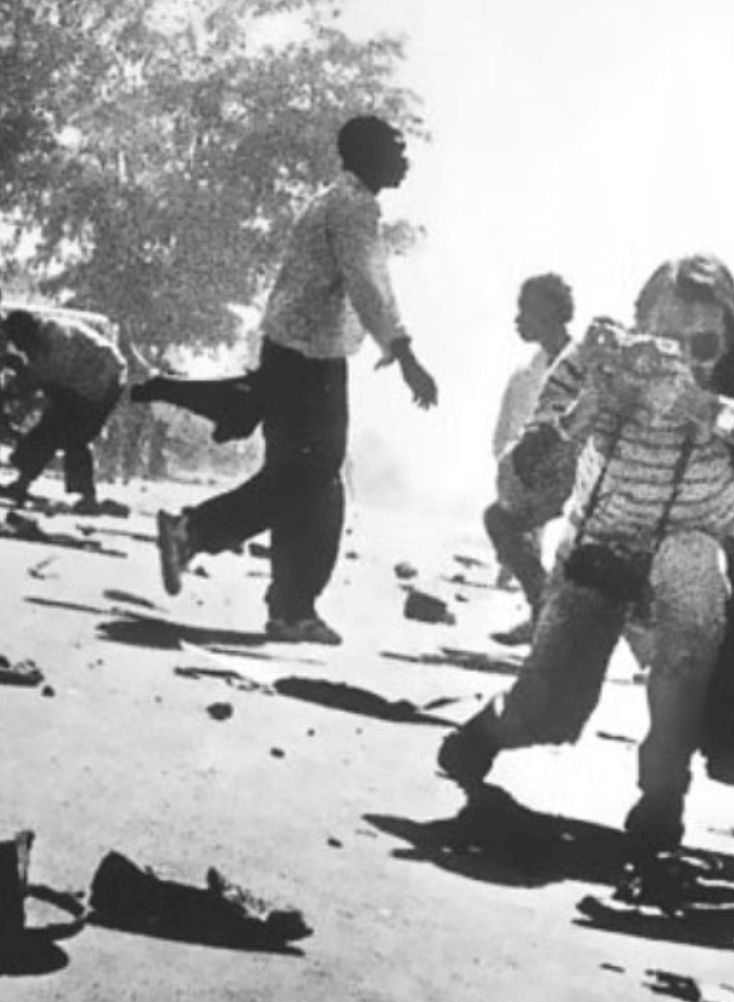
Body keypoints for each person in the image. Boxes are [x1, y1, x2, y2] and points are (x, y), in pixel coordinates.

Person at [437, 254, 734, 862]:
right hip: (601, 549)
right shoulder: (596, 356)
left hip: (696, 548)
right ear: (637, 329)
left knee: (691, 577)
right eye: (665, 342)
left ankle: (662, 795)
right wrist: (584, 409)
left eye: (703, 343)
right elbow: (514, 484)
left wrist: (719, 413)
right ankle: (488, 733)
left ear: (731, 336)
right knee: (547, 712)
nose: (683, 358)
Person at [146, 115, 437, 645]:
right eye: (395, 149)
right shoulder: (352, 206)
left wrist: (388, 344)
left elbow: (368, 288)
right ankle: (195, 533)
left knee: (312, 484)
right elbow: (368, 287)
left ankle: (291, 608)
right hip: (308, 360)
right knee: (307, 480)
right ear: (366, 154)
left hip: (301, 353)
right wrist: (404, 353)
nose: (405, 159)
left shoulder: (337, 201)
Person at [483, 273, 576, 643]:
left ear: (551, 312)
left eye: (527, 310)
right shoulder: (528, 373)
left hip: (587, 474)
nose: (519, 320)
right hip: (551, 474)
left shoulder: (582, 360)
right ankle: (542, 612)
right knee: (501, 520)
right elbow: (509, 435)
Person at [0, 309, 127, 514]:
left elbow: (44, 381)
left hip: (104, 381)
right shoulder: (41, 339)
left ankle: (86, 497)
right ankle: (22, 484)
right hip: (81, 381)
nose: (19, 347)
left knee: (74, 434)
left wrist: (16, 389)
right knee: (52, 427)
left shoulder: (58, 339)